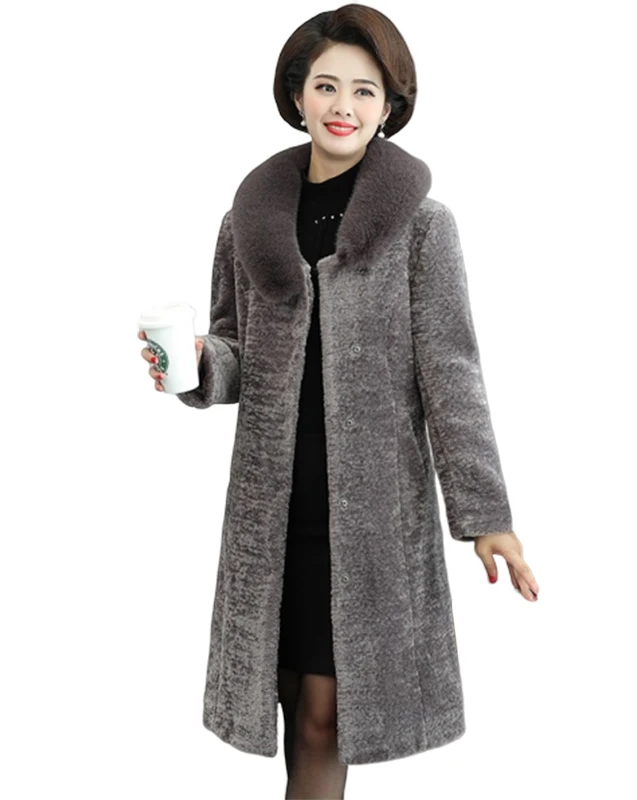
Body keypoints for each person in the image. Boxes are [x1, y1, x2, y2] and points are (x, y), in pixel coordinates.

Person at [139, 5, 538, 797]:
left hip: (369, 517)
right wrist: (196, 364)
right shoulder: (247, 222)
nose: (343, 105)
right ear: (297, 96)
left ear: (389, 107)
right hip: (274, 510)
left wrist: (486, 516)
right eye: (326, 86)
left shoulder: (421, 229)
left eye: (364, 90)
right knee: (293, 700)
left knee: (327, 715)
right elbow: (237, 353)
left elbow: (452, 375)